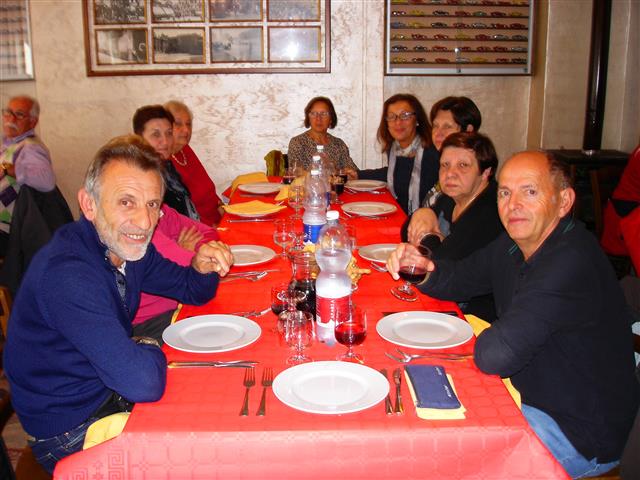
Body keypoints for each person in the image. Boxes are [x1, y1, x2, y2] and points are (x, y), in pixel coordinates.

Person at [387, 151, 639, 479]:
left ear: (564, 202)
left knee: (448, 463)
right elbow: (463, 276)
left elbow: (495, 355)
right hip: (530, 395)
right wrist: (424, 269)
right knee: (424, 434)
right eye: (505, 192)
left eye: (529, 191)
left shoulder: (570, 261)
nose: (513, 204)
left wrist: (481, 331)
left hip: (577, 431)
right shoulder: (513, 244)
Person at [3, 135, 233, 473]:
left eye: (152, 204)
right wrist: (147, 345)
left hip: (106, 390)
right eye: (126, 202)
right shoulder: (68, 274)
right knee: (205, 455)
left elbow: (189, 289)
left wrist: (201, 267)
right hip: (70, 428)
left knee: (218, 400)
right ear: (89, 204)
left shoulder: (125, 248)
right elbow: (143, 382)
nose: (144, 221)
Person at [401, 132, 502, 321]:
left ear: (485, 172)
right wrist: (423, 213)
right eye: (445, 165)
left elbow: (436, 264)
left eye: (463, 165)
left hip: (474, 316)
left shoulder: (490, 212)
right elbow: (407, 231)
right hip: (443, 297)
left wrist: (429, 234)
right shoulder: (451, 198)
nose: (450, 173)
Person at [133, 203, 220, 341]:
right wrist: (188, 253)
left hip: (177, 307)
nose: (146, 217)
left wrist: (190, 251)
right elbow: (189, 268)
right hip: (148, 324)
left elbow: (209, 233)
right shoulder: (135, 237)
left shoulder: (163, 212)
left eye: (152, 203)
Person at [344, 94, 439, 214]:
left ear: (417, 119)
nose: (398, 122)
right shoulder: (394, 149)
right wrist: (358, 175)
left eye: (405, 115)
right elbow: (396, 173)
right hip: (400, 213)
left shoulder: (432, 151)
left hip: (425, 218)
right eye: (391, 116)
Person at [406, 95, 482, 237]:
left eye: (447, 126)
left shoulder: (471, 176)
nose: (438, 133)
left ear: (469, 130)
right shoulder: (439, 161)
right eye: (435, 126)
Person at [0, 95, 56, 254]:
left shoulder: (31, 147)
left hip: (6, 228)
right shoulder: (10, 143)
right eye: (8, 112)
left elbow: (47, 181)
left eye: (19, 114)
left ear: (33, 122)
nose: (11, 119)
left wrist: (8, 169)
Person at [132, 105, 199, 221]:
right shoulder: (138, 179)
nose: (165, 142)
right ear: (139, 139)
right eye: (156, 134)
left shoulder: (167, 167)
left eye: (169, 133)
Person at [164, 100, 224, 226]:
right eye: (178, 124)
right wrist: (212, 228)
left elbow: (209, 190)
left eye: (188, 124)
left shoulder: (185, 150)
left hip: (217, 220)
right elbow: (181, 213)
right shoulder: (163, 163)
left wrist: (222, 208)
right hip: (197, 228)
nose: (186, 130)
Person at [287, 96, 357, 172]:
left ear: (331, 119)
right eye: (313, 113)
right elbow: (296, 173)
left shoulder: (339, 144)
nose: (318, 118)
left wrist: (349, 173)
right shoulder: (298, 142)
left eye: (323, 114)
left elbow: (353, 171)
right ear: (308, 118)